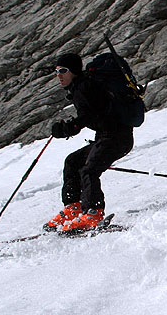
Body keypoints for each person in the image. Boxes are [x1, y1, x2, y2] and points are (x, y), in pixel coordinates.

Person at [45, 53, 134, 232]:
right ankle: (73, 207)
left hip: (116, 138)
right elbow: (92, 113)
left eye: (63, 71)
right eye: (56, 72)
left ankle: (93, 213)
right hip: (107, 137)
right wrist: (70, 126)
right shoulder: (81, 86)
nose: (59, 75)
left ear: (74, 71)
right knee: (73, 161)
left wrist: (69, 128)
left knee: (89, 170)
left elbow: (89, 115)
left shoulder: (85, 87)